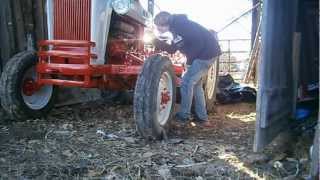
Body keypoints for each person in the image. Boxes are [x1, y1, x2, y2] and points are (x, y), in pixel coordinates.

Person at [153, 11, 221, 127]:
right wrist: (157, 43)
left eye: (158, 26)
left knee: (186, 82)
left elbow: (198, 43)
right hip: (204, 54)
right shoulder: (175, 29)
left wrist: (189, 62)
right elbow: (174, 49)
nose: (158, 29)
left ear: (164, 24)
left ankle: (184, 116)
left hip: (206, 54)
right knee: (196, 85)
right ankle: (202, 118)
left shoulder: (183, 26)